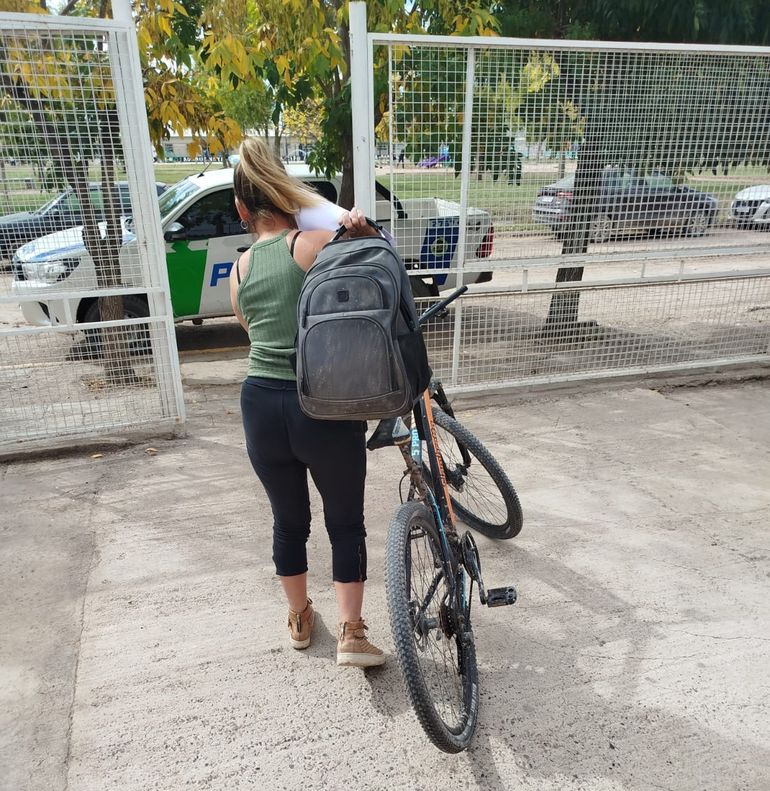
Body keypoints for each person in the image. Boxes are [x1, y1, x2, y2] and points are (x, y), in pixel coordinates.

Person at [229, 137, 385, 668]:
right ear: (287, 197)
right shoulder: (315, 244)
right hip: (321, 405)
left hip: (260, 405)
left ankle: (298, 620)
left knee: (288, 520)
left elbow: (253, 332)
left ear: (242, 209)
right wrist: (361, 229)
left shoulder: (240, 270)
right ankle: (352, 633)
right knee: (345, 521)